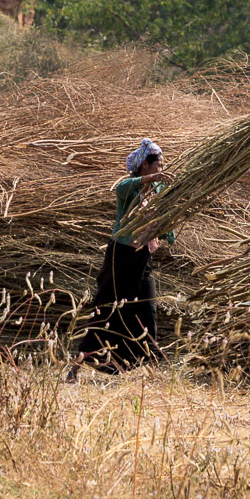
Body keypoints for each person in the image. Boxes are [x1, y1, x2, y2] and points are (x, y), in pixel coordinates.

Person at [70, 139, 173, 377]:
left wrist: (169, 230)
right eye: (159, 165)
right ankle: (78, 365)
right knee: (107, 309)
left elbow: (162, 218)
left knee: (147, 309)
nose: (161, 170)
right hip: (120, 256)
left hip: (141, 258)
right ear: (145, 166)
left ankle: (145, 368)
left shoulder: (157, 190)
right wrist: (150, 180)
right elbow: (122, 188)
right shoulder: (130, 187)